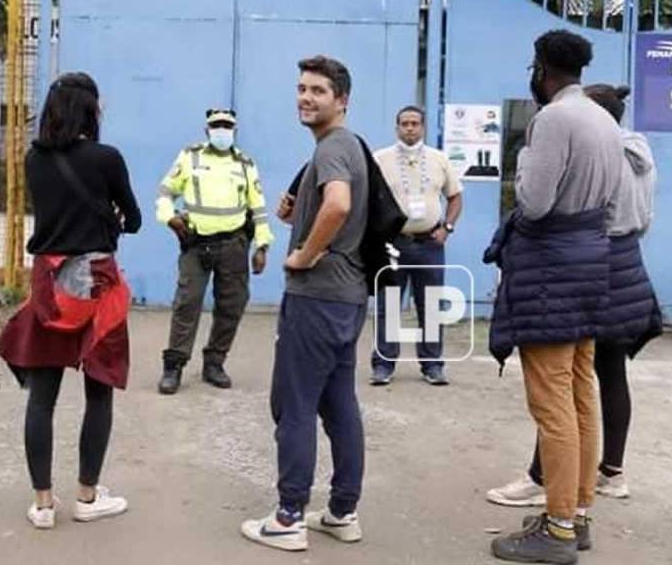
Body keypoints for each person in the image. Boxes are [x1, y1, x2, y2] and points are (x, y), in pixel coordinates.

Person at [482, 32, 656, 565]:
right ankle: (576, 513)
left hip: (553, 268)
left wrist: (520, 166)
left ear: (540, 70)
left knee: (551, 400)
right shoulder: (606, 122)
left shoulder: (554, 119)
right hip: (592, 262)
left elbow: (533, 203)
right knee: (581, 391)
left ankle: (557, 529)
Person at [0, 71, 142, 530]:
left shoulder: (33, 160)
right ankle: (87, 495)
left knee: (42, 400)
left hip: (51, 288)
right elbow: (133, 219)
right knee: (98, 393)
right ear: (91, 111)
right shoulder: (107, 159)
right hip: (98, 287)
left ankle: (42, 504)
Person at [241, 56, 369, 552]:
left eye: (318, 90)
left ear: (342, 100)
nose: (305, 97)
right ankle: (341, 511)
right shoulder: (349, 146)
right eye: (301, 88)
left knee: (292, 405)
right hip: (348, 297)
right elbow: (336, 202)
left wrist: (303, 255)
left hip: (317, 297)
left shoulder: (335, 147)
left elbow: (338, 204)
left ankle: (289, 516)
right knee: (339, 405)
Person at [155, 108, 273, 394]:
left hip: (233, 244)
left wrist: (262, 245)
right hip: (196, 243)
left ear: (234, 130)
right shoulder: (190, 157)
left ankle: (215, 362)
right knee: (187, 302)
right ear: (207, 130)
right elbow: (165, 193)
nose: (222, 130)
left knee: (232, 305)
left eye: (227, 126)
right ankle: (174, 366)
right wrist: (168, 217)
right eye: (216, 126)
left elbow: (257, 206)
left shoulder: (245, 164)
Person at [370, 104, 463, 386]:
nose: (410, 128)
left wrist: (447, 227)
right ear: (397, 127)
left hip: (429, 244)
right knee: (389, 306)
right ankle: (383, 365)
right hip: (394, 244)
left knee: (432, 306)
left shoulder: (439, 159)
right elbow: (369, 199)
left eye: (415, 123)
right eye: (405, 123)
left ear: (422, 127)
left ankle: (432, 365)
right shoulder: (380, 159)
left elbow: (456, 196)